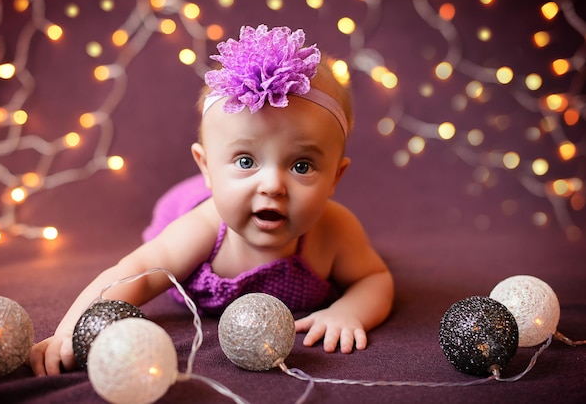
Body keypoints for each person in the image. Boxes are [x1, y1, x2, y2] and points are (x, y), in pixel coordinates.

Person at [30, 25, 394, 377]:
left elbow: (374, 278)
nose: (272, 185)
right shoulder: (202, 229)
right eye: (246, 161)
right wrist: (70, 330)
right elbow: (136, 275)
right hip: (185, 205)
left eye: (302, 165)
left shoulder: (335, 231)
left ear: (335, 177)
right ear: (206, 166)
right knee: (163, 245)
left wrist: (349, 311)